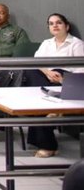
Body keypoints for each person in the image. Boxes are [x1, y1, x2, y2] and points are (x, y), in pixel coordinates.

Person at [23, 13, 84, 157]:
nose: (55, 25)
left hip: (66, 81)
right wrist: (48, 72)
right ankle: (49, 110)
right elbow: (36, 62)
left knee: (38, 102)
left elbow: (81, 70)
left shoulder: (77, 44)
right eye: (51, 23)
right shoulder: (47, 43)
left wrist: (62, 79)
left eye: (58, 23)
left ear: (66, 26)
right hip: (46, 78)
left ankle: (47, 145)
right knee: (30, 71)